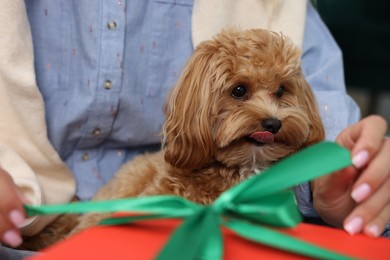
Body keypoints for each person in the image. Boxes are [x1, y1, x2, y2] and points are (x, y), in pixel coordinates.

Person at [0, 0, 388, 258]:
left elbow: (328, 124)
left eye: (279, 93)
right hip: (33, 230)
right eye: (239, 92)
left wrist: (337, 173)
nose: (271, 114)